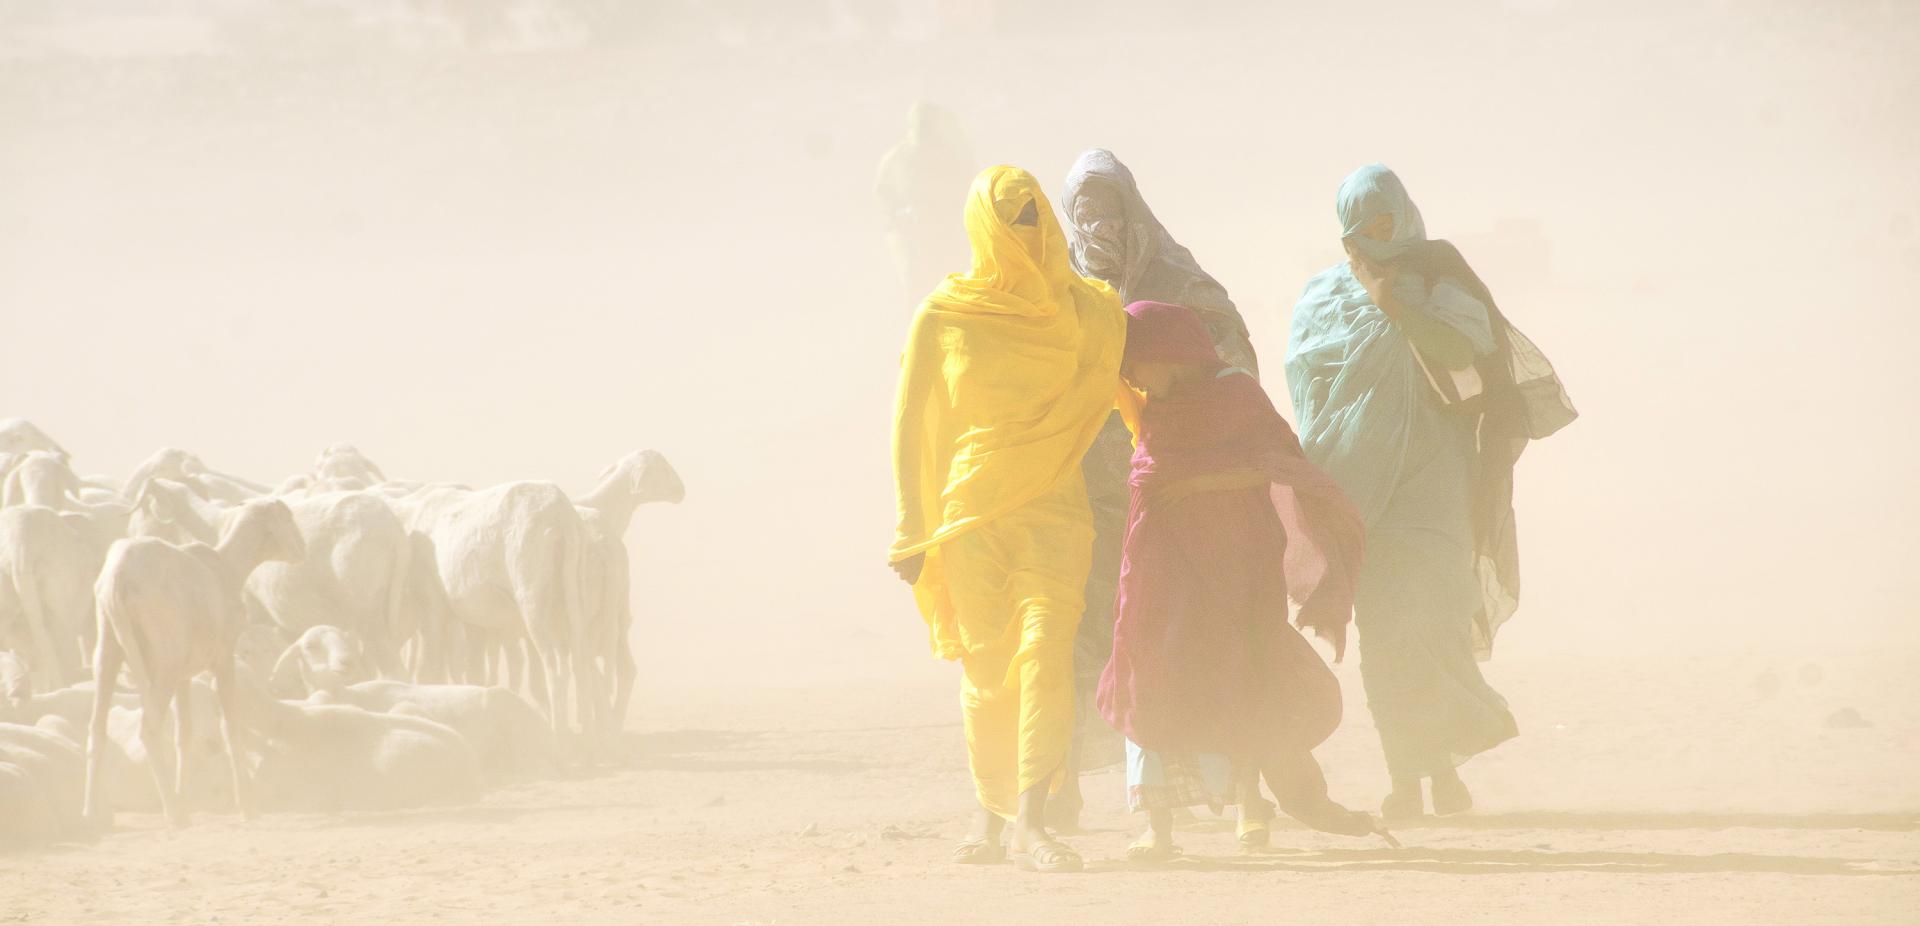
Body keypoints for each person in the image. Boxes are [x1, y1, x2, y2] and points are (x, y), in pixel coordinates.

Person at [1285, 164, 1575, 819]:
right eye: (1363, 226)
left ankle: (1439, 766)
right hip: (1360, 486)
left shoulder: (1440, 281)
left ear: (1407, 217)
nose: (1376, 235)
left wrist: (1395, 304)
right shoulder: (1324, 296)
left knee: (1435, 622)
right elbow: (1307, 385)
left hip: (1435, 483)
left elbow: (1465, 348)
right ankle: (1409, 780)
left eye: (1386, 221)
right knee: (1387, 635)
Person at [888, 164, 1126, 873]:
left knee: (1047, 653)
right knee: (988, 671)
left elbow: (1122, 386)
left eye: (1032, 215)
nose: (1024, 230)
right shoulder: (945, 314)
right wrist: (909, 528)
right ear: (983, 227)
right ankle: (989, 815)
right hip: (971, 517)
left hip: (1055, 509)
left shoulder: (1085, 310)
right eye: (1009, 218)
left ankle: (1032, 819)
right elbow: (909, 423)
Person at [1098, 301, 1386, 861]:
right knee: (1150, 678)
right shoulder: (1154, 404)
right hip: (1159, 570)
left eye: (1135, 362)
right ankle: (1157, 826)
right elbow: (1151, 476)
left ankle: (1258, 807)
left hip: (1237, 568)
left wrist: (1197, 486)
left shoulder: (1235, 395)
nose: (1130, 377)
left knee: (1242, 676)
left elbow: (1278, 464)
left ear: (1168, 352)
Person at [1061, 148, 1269, 846]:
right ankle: (1143, 813)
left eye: (1110, 209)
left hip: (1196, 495)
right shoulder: (1057, 292)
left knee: (1218, 639)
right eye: (1084, 212)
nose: (1099, 225)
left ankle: (1246, 795)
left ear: (1134, 209)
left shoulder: (1183, 285)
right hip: (1099, 500)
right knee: (1128, 647)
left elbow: (1236, 374)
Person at [874, 102, 976, 299]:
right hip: (912, 232)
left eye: (928, 126)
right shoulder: (900, 156)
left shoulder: (953, 155)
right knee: (916, 285)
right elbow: (883, 192)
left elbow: (969, 188)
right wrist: (897, 215)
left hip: (945, 229)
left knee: (947, 282)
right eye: (922, 126)